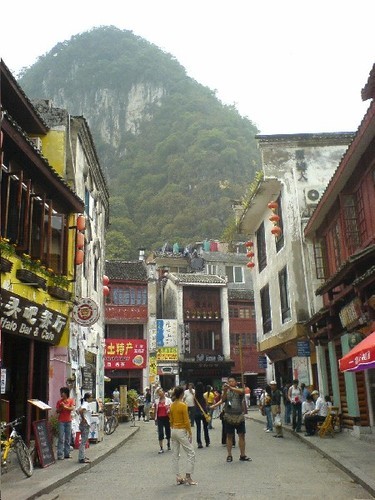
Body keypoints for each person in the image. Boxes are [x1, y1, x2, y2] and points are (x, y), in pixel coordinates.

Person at [169, 386, 197, 485]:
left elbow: (171, 419)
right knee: (191, 453)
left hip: (173, 430)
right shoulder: (183, 405)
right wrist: (190, 432)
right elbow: (186, 420)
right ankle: (188, 476)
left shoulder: (172, 405)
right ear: (181, 394)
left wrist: (173, 427)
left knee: (175, 454)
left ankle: (178, 476)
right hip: (181, 430)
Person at [222, 376, 251, 462]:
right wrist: (224, 391)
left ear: (235, 382)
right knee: (229, 436)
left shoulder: (239, 390)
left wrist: (230, 387)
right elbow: (223, 400)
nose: (230, 383)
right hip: (229, 416)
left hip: (239, 415)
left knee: (241, 435)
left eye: (232, 381)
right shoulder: (226, 391)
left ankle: (242, 454)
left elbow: (242, 392)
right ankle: (229, 455)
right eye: (229, 381)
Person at [56, 387, 75, 460]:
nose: (61, 394)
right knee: (61, 437)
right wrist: (61, 407)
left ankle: (67, 453)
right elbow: (57, 411)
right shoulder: (59, 402)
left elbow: (72, 408)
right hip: (61, 421)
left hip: (68, 420)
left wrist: (65, 406)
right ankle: (60, 454)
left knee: (67, 438)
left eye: (62, 392)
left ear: (65, 393)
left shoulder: (70, 400)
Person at [153, 389, 172, 453]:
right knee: (160, 432)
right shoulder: (156, 401)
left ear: (164, 393)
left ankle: (168, 443)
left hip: (167, 417)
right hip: (159, 418)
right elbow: (155, 410)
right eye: (158, 392)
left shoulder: (168, 400)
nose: (160, 393)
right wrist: (155, 419)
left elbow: (171, 408)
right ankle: (161, 448)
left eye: (161, 392)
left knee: (168, 431)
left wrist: (169, 409)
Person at [194, 382, 210, 448]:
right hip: (204, 412)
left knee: (198, 428)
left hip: (197, 412)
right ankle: (207, 441)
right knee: (205, 427)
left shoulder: (195, 396)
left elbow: (194, 404)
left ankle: (199, 443)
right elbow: (207, 404)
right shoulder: (204, 396)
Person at [78, 392, 93, 464]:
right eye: (90, 397)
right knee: (83, 442)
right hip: (85, 424)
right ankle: (81, 458)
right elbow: (80, 411)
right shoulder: (86, 404)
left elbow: (78, 410)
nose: (91, 398)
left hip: (84, 424)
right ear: (87, 398)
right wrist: (83, 419)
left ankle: (83, 456)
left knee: (84, 441)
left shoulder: (84, 403)